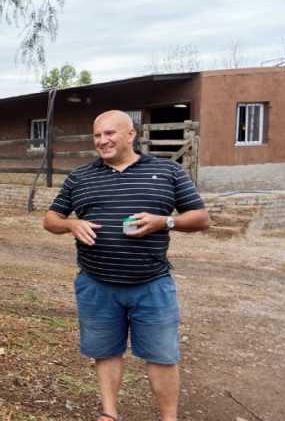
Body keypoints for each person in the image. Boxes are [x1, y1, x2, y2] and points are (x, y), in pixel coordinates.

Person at [43, 110, 209, 421]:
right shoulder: (80, 177)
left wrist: (165, 221)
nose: (102, 141)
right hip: (96, 284)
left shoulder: (167, 172)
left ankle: (168, 418)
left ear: (130, 135)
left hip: (152, 284)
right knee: (105, 351)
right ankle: (109, 414)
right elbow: (50, 219)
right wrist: (71, 225)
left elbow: (201, 218)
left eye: (110, 134)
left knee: (162, 355)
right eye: (97, 136)